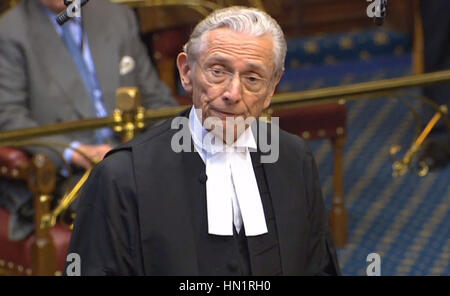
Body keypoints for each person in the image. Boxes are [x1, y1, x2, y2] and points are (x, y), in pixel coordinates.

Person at [67, 6, 341, 276]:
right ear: (186, 71)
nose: (233, 93)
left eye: (252, 78)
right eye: (218, 71)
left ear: (271, 89)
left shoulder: (294, 158)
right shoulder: (121, 178)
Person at [0, 0, 177, 240]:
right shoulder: (10, 31)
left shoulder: (117, 17)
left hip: (135, 156)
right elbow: (9, 117)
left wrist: (160, 148)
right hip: (70, 176)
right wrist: (78, 151)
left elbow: (157, 100)